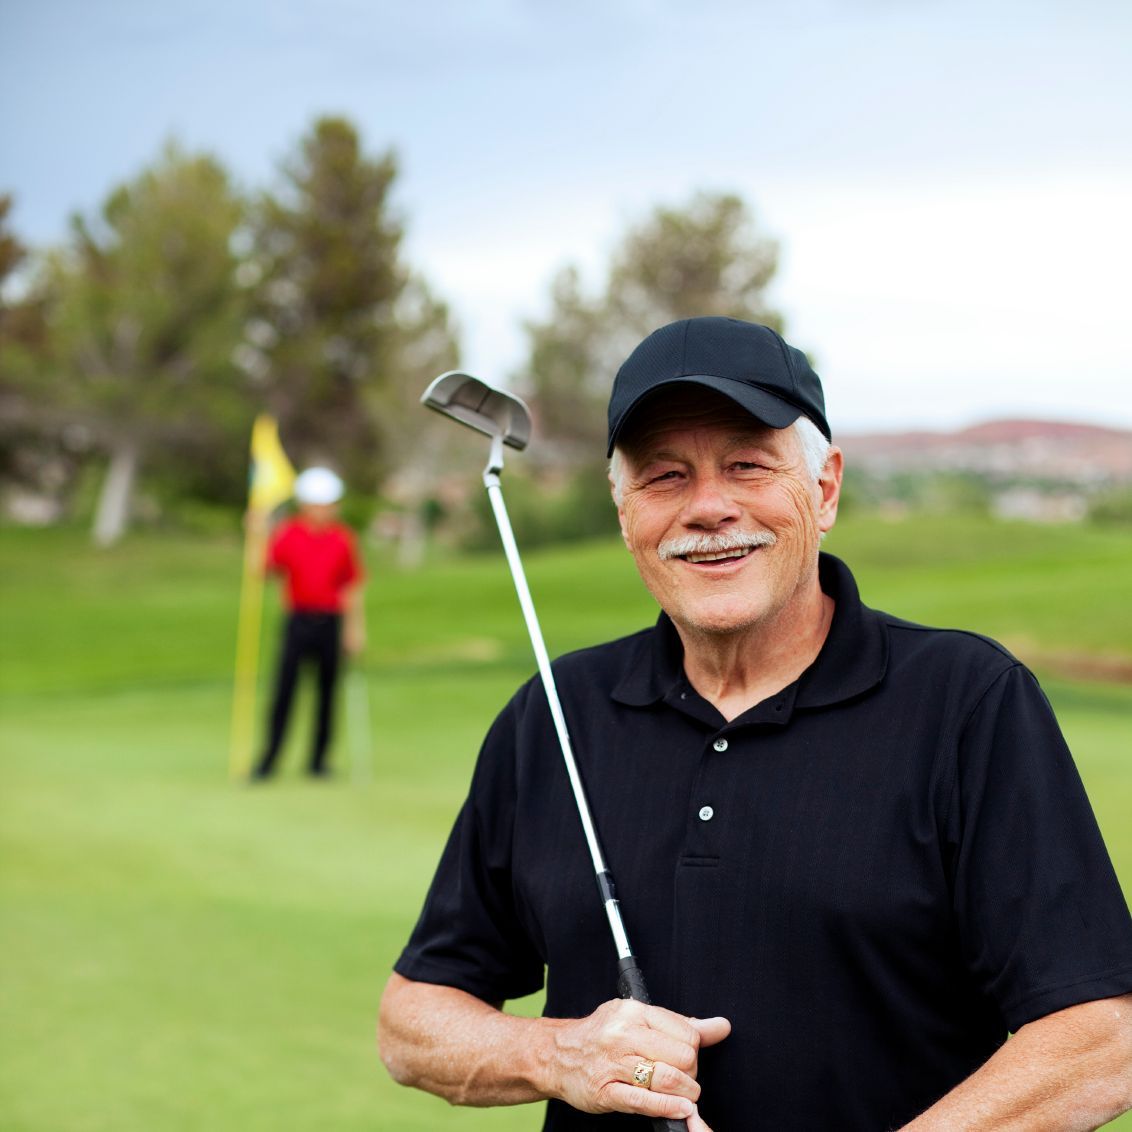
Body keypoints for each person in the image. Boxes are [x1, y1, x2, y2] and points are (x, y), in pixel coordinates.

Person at [377, 317, 1132, 1130]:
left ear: (825, 489)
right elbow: (412, 1022)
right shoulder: (556, 713)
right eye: (665, 476)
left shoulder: (967, 702)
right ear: (624, 510)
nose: (708, 507)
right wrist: (559, 1054)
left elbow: (1102, 1039)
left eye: (747, 465)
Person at [252, 466, 365, 780]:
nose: (326, 510)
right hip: (297, 621)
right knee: (284, 692)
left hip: (332, 622)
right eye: (319, 504)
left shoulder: (343, 537)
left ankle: (318, 761)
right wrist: (258, 533)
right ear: (305, 505)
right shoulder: (288, 533)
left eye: (330, 504)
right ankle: (269, 760)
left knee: (327, 694)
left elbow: (351, 586)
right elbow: (265, 571)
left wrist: (354, 630)